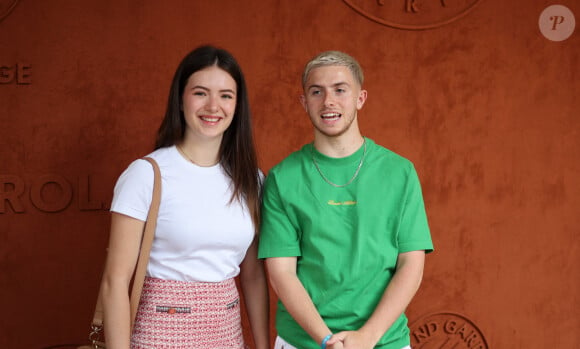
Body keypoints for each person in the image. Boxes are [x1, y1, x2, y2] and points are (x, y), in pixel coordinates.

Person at [258, 50, 434, 349]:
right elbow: (281, 272)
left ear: (360, 98)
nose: (328, 101)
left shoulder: (399, 172)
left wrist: (367, 337)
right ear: (304, 102)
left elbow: (411, 265)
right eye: (317, 92)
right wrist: (327, 340)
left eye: (340, 90)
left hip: (383, 341)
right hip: (303, 342)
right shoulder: (282, 178)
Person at [100, 45, 269, 349]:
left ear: (238, 105)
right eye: (201, 93)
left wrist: (262, 344)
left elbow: (253, 275)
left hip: (227, 339)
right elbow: (114, 283)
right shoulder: (146, 174)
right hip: (158, 338)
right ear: (180, 99)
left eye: (226, 95)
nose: (213, 106)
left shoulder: (251, 179)